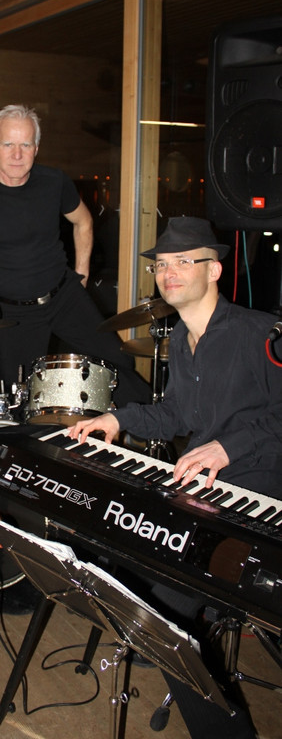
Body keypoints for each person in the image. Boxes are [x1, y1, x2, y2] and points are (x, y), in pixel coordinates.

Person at [69, 215, 282, 739]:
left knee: (164, 600)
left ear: (214, 270)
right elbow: (176, 415)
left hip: (262, 497)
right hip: (210, 493)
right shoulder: (184, 340)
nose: (169, 272)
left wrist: (229, 446)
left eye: (184, 261)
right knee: (125, 551)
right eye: (162, 264)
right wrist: (115, 418)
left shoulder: (260, 332)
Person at [0, 104, 150, 408]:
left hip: (63, 296)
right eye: (8, 144)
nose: (17, 154)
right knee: (20, 399)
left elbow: (84, 222)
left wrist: (81, 275)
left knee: (118, 364)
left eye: (25, 145)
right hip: (13, 313)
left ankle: (146, 427)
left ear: (36, 148)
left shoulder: (55, 182)